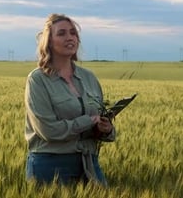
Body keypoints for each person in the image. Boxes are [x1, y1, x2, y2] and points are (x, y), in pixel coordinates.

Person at [24, 13, 115, 186]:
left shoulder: (89, 78)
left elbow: (101, 119)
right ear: (49, 41)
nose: (70, 37)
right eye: (62, 33)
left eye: (73, 33)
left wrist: (106, 129)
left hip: (89, 165)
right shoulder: (38, 79)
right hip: (50, 166)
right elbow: (48, 131)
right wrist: (87, 121)